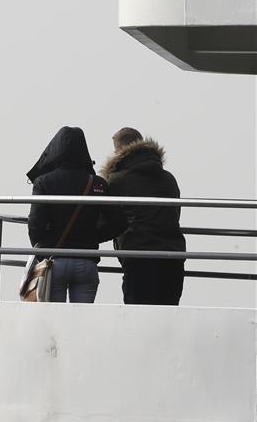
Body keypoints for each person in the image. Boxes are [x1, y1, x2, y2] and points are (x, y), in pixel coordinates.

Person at [26, 127, 127, 303]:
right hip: (86, 262)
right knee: (81, 323)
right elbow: (119, 223)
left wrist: (45, 244)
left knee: (54, 322)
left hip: (54, 262)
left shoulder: (44, 182)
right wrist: (93, 236)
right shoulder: (97, 184)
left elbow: (35, 226)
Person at [101, 127, 185, 305]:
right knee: (167, 320)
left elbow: (108, 220)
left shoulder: (117, 181)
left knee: (138, 320)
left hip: (138, 257)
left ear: (119, 150)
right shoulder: (169, 179)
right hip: (172, 257)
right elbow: (174, 214)